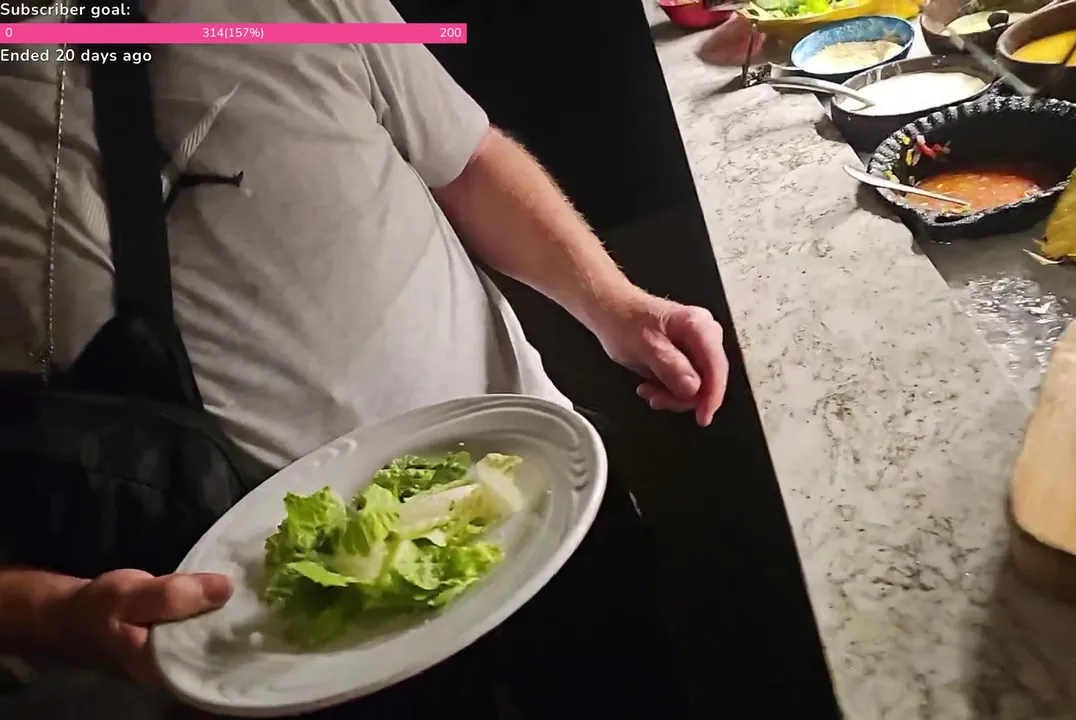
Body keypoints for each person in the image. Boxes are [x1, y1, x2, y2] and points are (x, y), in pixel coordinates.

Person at [0, 0, 728, 717]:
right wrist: (56, 613)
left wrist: (614, 303)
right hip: (275, 651)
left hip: (533, 505)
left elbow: (466, 158)